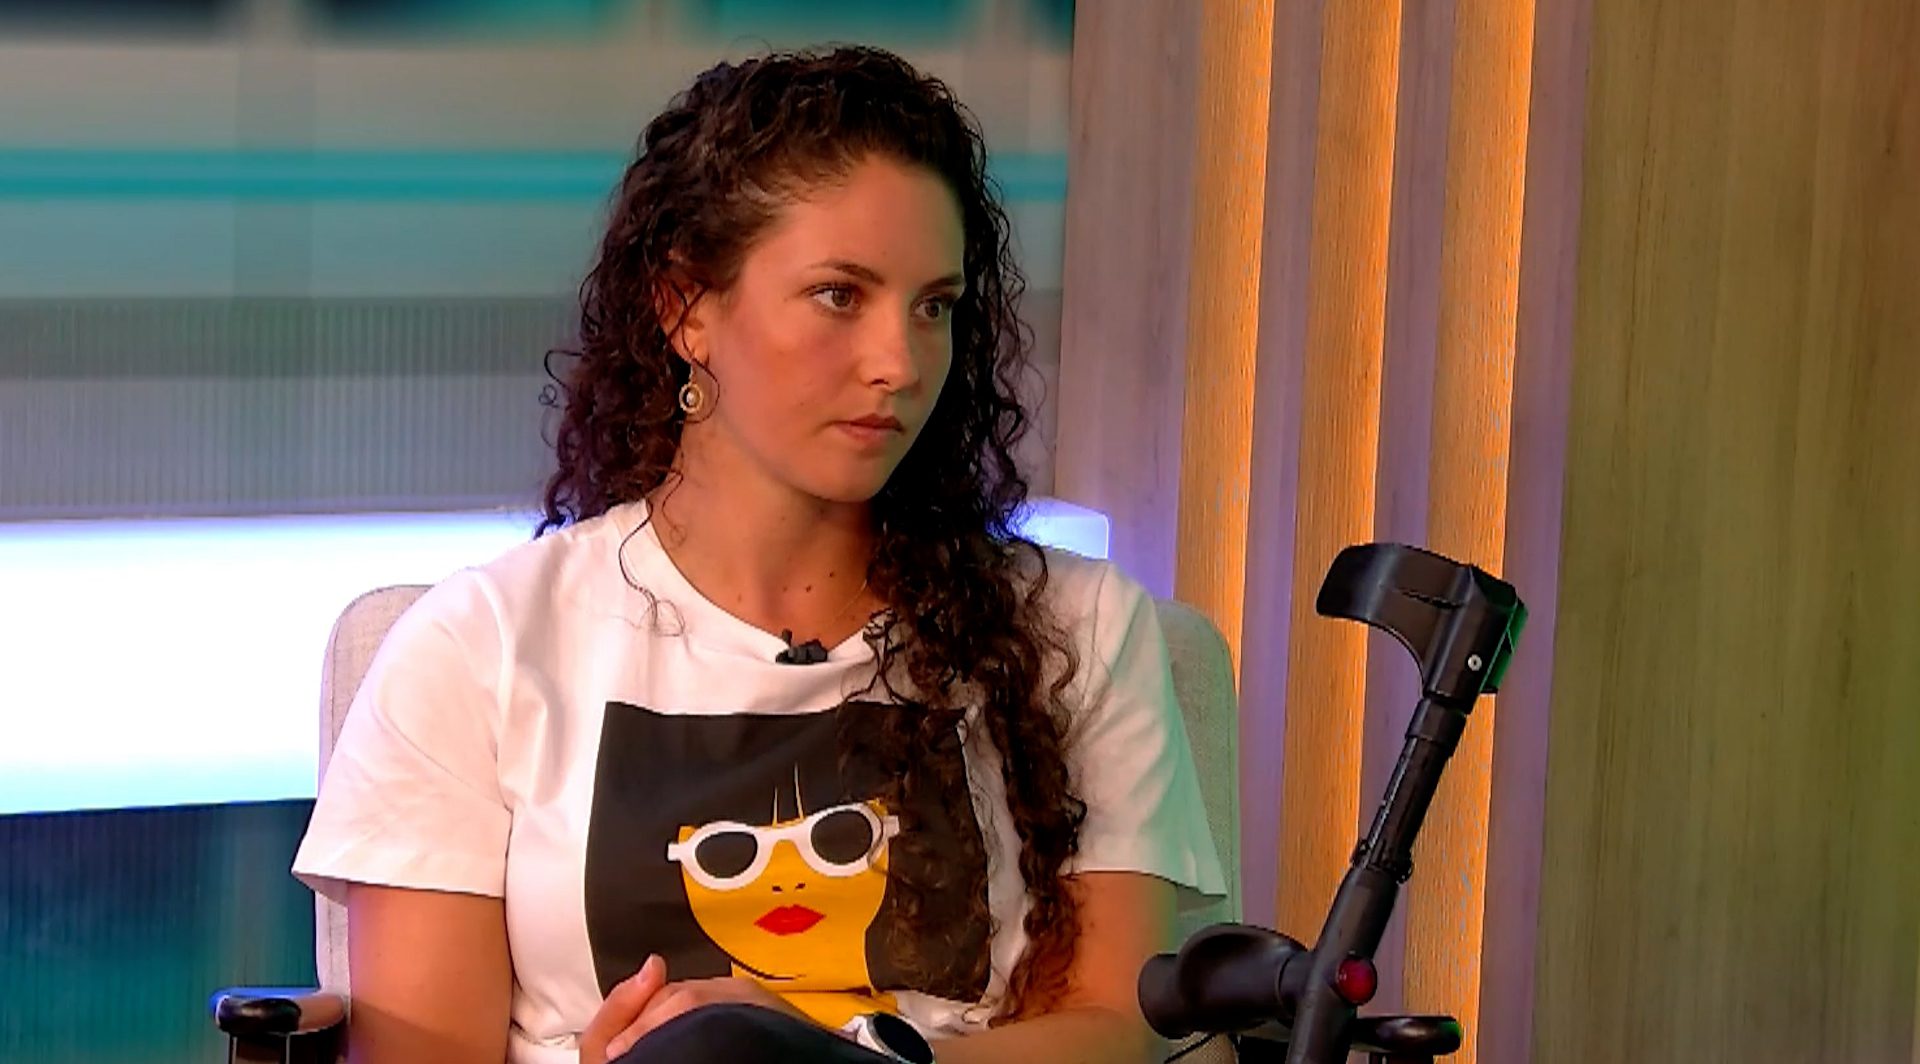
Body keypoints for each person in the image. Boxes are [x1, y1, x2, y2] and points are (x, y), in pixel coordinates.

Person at [291, 45, 1224, 1064]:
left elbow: (1114, 1030)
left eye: (934, 306)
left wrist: (829, 1062)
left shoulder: (1077, 630)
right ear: (687, 307)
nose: (900, 362)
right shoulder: (479, 648)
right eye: (839, 295)